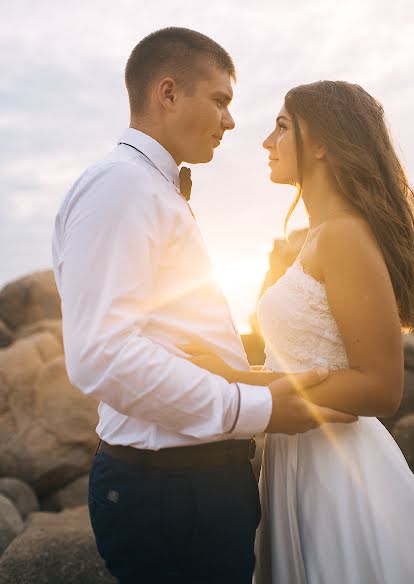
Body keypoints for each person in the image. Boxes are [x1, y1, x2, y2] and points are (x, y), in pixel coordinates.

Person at [51, 29, 356, 584]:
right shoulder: (121, 187)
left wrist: (250, 383)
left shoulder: (149, 188)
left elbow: (164, 335)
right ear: (168, 93)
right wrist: (255, 409)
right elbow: (100, 354)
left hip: (193, 484)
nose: (232, 121)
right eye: (220, 100)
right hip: (167, 489)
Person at [185, 81, 414, 583]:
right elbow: (296, 364)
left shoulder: (343, 235)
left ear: (321, 142)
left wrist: (231, 380)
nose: (265, 142)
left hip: (340, 475)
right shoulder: (322, 235)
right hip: (300, 458)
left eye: (281, 126)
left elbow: (382, 387)